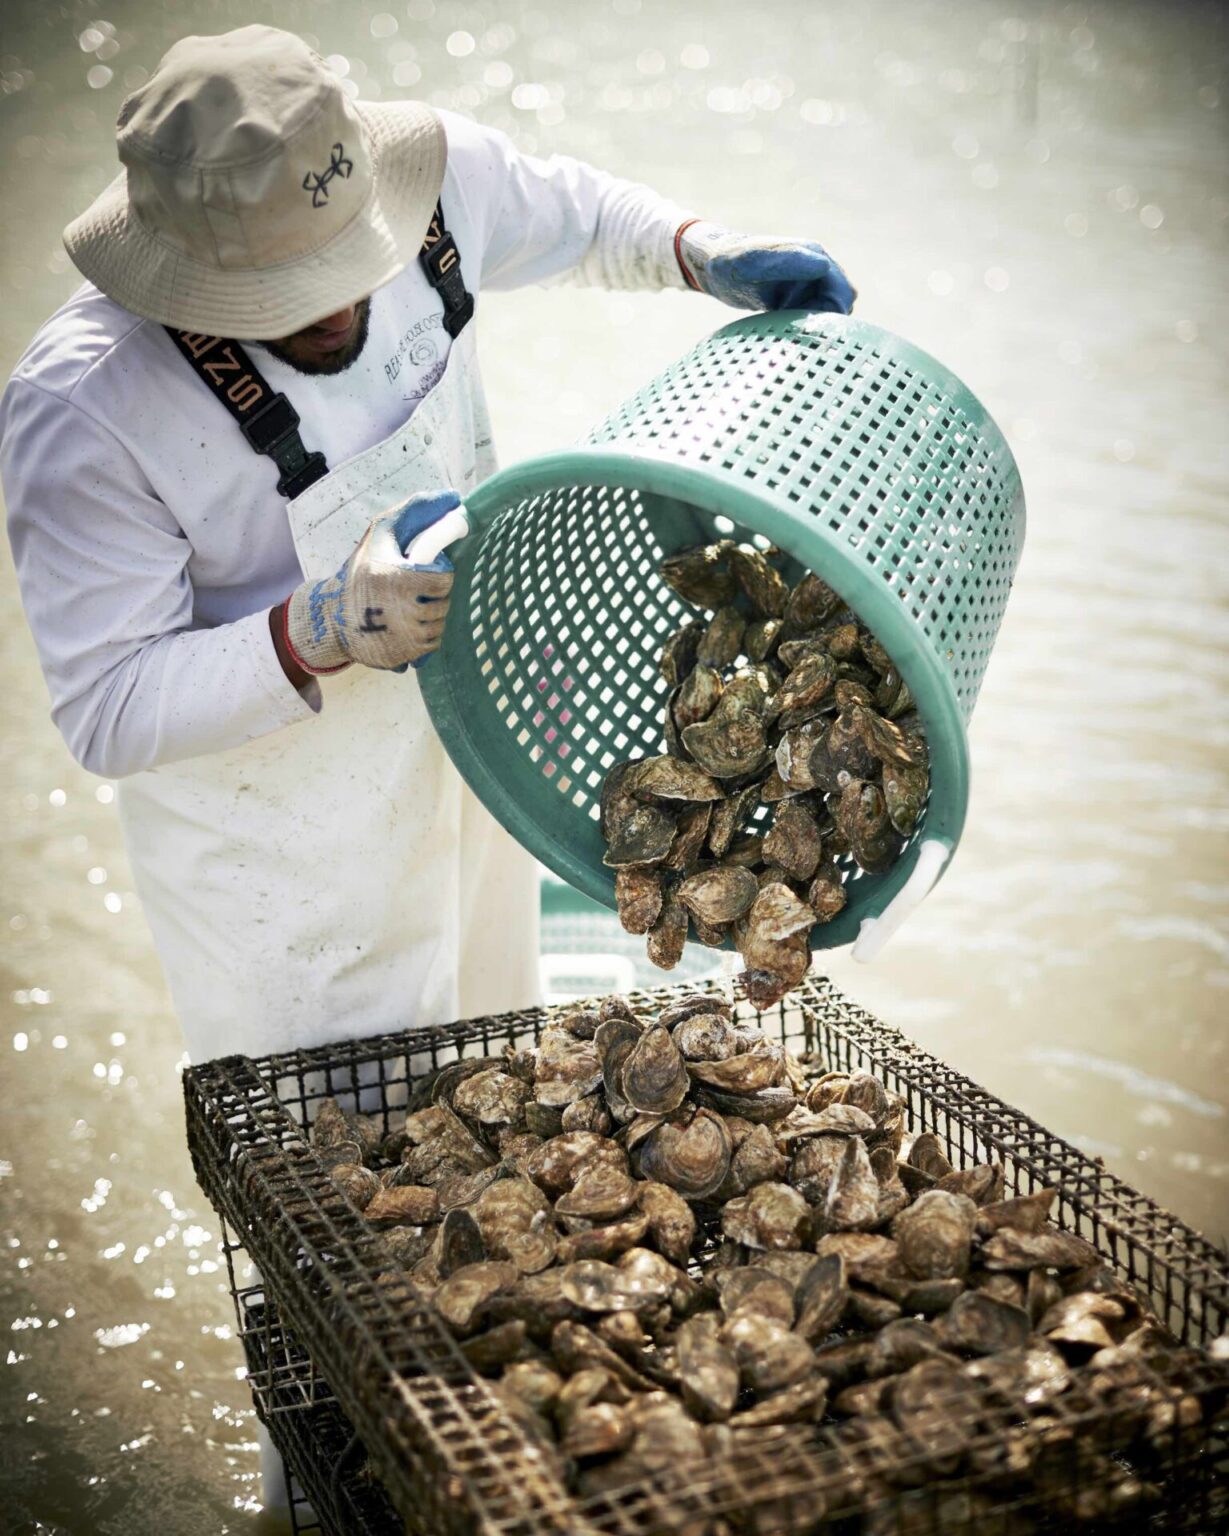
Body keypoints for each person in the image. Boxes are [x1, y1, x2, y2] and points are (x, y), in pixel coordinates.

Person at [1, 25, 855, 1069]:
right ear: (184, 272)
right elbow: (107, 711)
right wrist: (318, 626)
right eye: (286, 292)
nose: (341, 302)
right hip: (285, 855)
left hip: (468, 740)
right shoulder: (83, 408)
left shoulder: (425, 186)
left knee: (502, 1068)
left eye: (351, 261)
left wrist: (699, 251)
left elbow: (584, 217)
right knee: (346, 1158)